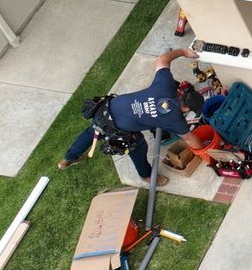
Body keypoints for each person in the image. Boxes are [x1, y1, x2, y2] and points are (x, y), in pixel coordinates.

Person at [59, 47, 197, 179]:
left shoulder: (165, 85)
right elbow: (190, 138)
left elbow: (162, 60)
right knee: (137, 146)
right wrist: (204, 152)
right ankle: (146, 176)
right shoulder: (174, 119)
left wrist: (184, 51)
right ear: (185, 110)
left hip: (105, 109)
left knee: (92, 132)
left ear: (180, 93)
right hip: (115, 127)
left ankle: (68, 159)